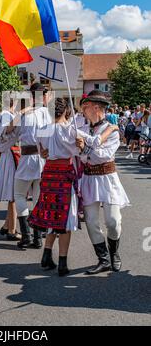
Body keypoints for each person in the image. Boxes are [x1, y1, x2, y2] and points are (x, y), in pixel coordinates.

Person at [28, 98, 118, 276]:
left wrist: (48, 152)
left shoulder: (41, 130)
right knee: (65, 218)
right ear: (65, 111)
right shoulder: (70, 129)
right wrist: (111, 129)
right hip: (63, 174)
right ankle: (62, 263)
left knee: (52, 213)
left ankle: (46, 255)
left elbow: (42, 152)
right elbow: (93, 141)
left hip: (48, 173)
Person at [80, 90, 130, 274]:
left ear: (96, 107)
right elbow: (82, 158)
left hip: (108, 179)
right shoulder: (83, 129)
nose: (83, 109)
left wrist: (85, 148)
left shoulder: (112, 129)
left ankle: (114, 252)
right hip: (89, 179)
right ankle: (103, 259)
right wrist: (87, 151)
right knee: (91, 221)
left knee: (113, 221)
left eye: (86, 106)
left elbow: (104, 156)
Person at [4, 82, 51, 250]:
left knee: (19, 195)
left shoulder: (26, 115)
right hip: (43, 159)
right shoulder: (48, 113)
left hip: (28, 158)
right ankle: (37, 238)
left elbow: (8, 131)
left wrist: (21, 112)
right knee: (38, 199)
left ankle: (26, 236)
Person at [0, 100, 21, 241]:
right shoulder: (7, 115)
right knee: (13, 194)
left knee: (13, 194)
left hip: (10, 153)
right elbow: (4, 134)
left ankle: (7, 226)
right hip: (10, 154)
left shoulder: (6, 115)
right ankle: (12, 230)